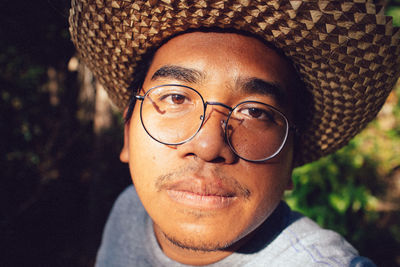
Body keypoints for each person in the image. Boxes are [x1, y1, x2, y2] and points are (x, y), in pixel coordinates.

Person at [69, 0, 400, 266]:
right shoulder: (130, 210)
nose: (209, 143)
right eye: (176, 97)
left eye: (255, 112)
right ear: (127, 132)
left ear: (293, 159)